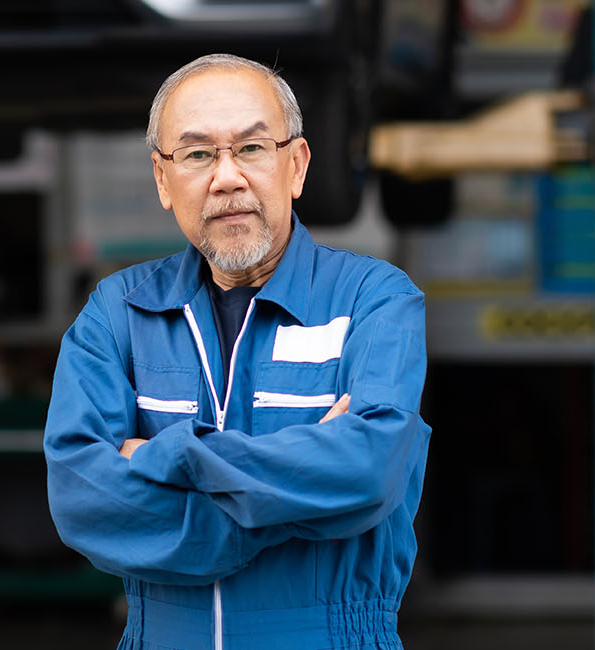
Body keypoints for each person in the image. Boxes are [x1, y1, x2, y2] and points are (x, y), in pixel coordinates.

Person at [44, 53, 431, 650]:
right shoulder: (117, 311)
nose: (227, 177)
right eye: (198, 154)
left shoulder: (373, 300)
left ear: (296, 166)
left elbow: (367, 469)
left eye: (252, 148)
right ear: (162, 181)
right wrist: (291, 503)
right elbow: (81, 498)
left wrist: (171, 458)